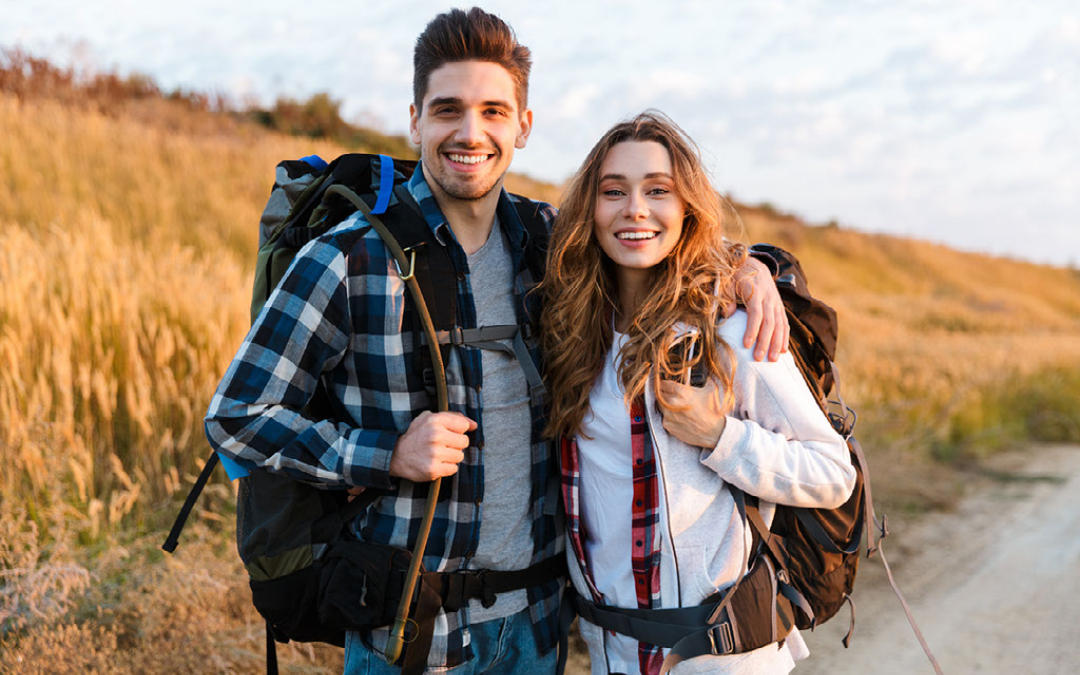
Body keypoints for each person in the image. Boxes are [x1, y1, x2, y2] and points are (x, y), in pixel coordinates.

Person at [205, 9, 788, 675]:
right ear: (416, 121)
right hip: (411, 636)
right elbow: (235, 417)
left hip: (537, 628)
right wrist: (385, 452)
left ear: (523, 126)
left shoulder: (551, 245)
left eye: (493, 110)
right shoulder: (347, 259)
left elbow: (661, 239)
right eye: (447, 109)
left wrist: (751, 270)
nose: (470, 131)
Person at [540, 111, 857, 675]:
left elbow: (833, 473)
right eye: (613, 191)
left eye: (657, 190)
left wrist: (721, 435)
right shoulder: (571, 331)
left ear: (687, 208)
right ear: (589, 208)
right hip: (612, 654)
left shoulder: (732, 326)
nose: (634, 209)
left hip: (720, 657)